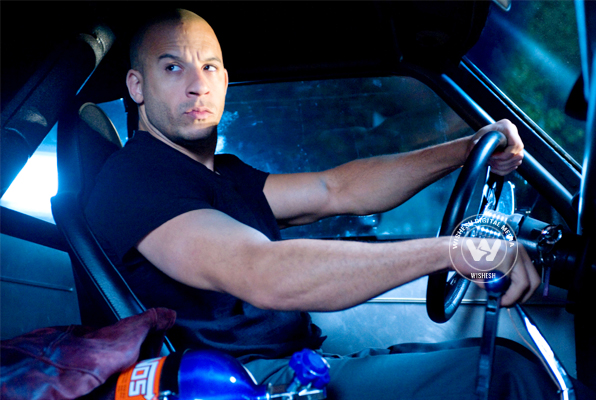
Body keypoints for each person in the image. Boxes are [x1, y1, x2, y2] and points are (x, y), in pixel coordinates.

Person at [85, 8, 567, 399]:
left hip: (299, 363)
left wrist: (466, 148)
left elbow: (337, 189)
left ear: (225, 80)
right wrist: (456, 252)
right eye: (173, 68)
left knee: (508, 363)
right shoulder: (134, 180)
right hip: (245, 382)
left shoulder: (222, 174)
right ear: (137, 86)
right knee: (506, 378)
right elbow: (263, 272)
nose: (198, 84)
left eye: (209, 67)